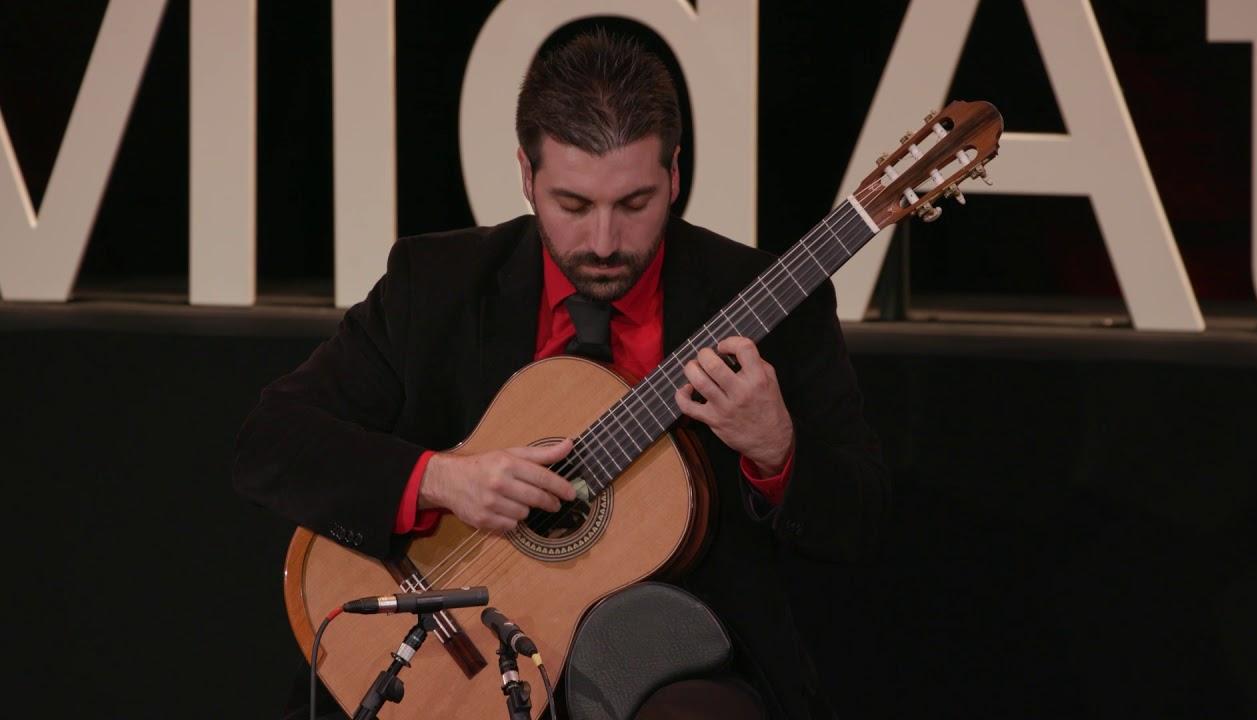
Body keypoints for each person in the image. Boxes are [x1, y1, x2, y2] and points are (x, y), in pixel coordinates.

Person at [234, 29, 888, 719]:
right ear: (527, 175)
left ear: (674, 175)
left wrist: (777, 449)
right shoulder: (436, 285)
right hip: (452, 650)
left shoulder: (770, 304)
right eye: (573, 205)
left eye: (634, 203)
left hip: (671, 663)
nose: (604, 242)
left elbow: (863, 523)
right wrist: (442, 480)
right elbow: (268, 443)